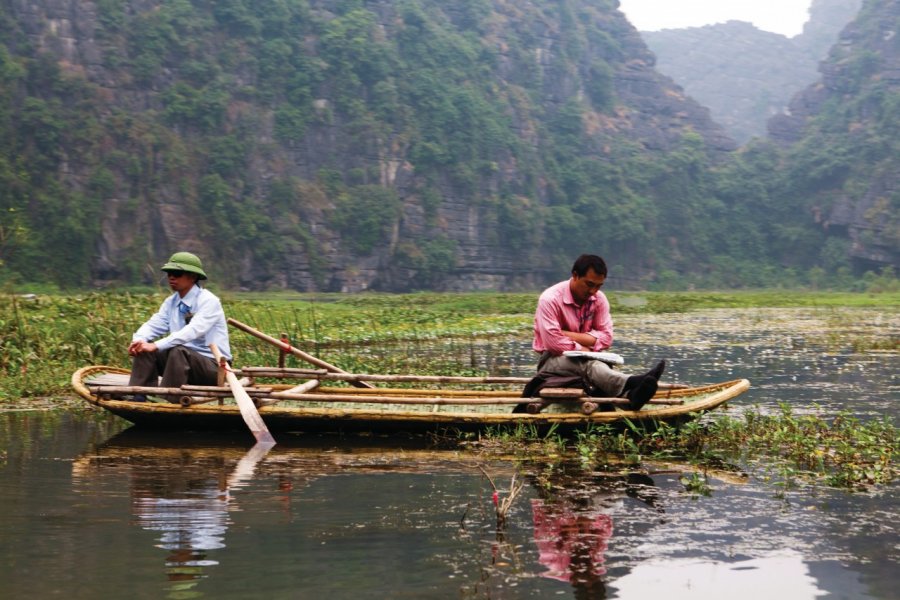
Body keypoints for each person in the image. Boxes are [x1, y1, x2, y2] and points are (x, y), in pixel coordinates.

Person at [528, 254, 665, 411]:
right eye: (589, 284)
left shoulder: (599, 299)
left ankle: (630, 396)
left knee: (592, 363)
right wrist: (584, 348)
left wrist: (566, 334)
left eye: (598, 286)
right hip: (551, 361)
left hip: (588, 357)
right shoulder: (550, 299)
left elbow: (606, 338)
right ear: (575, 275)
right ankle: (632, 382)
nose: (593, 291)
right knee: (590, 364)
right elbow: (553, 344)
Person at [127, 252, 231, 402]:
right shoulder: (171, 302)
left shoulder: (209, 301)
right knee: (144, 348)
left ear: (193, 277)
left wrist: (155, 345)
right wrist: (138, 341)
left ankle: (168, 399)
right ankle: (139, 395)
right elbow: (154, 324)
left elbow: (191, 331)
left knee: (178, 351)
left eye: (177, 273)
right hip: (180, 364)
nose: (171, 277)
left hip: (215, 368)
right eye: (169, 273)